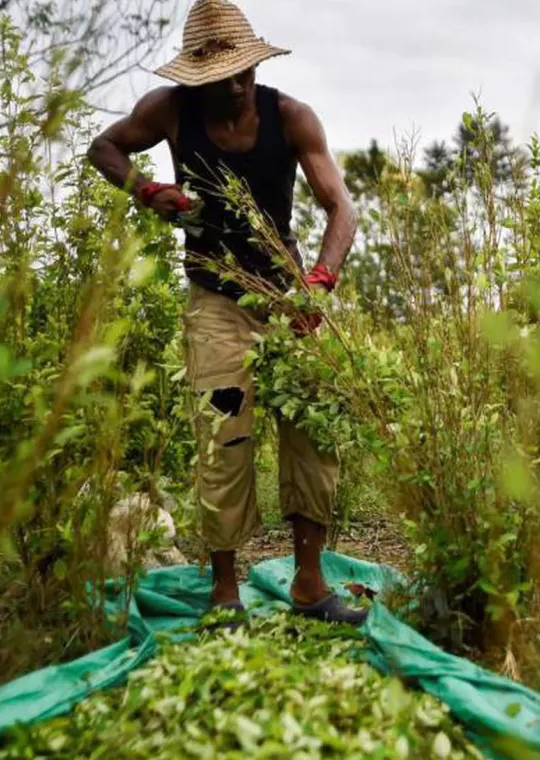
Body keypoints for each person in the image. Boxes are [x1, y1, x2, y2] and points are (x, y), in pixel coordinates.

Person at [87, 0, 365, 625]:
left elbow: (341, 210)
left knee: (312, 431)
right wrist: (147, 189)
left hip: (287, 299)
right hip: (215, 301)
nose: (233, 87)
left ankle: (310, 584)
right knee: (222, 436)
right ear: (194, 78)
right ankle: (224, 593)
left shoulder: (291, 117)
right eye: (218, 79)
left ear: (254, 67)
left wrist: (317, 284)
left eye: (242, 74)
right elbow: (104, 149)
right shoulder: (168, 111)